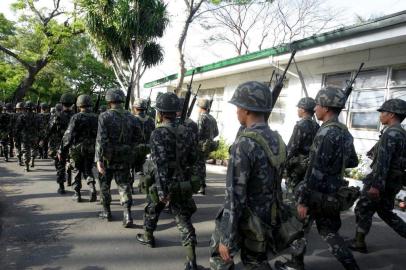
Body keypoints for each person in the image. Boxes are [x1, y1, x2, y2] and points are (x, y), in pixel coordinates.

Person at [209, 81, 286, 269]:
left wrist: (226, 237)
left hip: (247, 219)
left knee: (220, 260)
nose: (236, 111)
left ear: (246, 110)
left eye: (238, 107)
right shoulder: (278, 139)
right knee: (256, 261)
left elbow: (235, 196)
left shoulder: (244, 144)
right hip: (268, 217)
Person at [295, 87, 360, 270]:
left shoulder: (324, 133)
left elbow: (314, 171)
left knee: (299, 227)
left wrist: (303, 200)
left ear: (326, 107)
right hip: (334, 192)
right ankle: (352, 266)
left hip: (317, 193)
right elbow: (353, 161)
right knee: (329, 232)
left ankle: (295, 263)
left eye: (317, 105)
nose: (315, 108)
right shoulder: (344, 132)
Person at [136, 92, 198, 270]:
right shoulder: (187, 131)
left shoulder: (158, 133)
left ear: (160, 112)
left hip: (163, 182)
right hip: (182, 182)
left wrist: (163, 192)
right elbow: (194, 158)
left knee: (152, 208)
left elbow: (161, 164)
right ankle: (191, 260)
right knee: (183, 220)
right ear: (176, 112)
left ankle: (148, 237)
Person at [350, 98, 406, 253]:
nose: (380, 115)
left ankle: (359, 242)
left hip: (381, 181)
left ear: (392, 114)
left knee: (363, 208)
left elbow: (383, 162)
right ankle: (358, 240)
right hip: (393, 181)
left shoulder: (391, 134)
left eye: (383, 112)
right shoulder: (401, 133)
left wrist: (376, 186)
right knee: (384, 212)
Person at [95, 89, 140, 227]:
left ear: (109, 101)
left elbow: (101, 140)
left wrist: (98, 160)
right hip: (124, 157)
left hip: (108, 157)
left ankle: (106, 211)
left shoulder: (104, 116)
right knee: (124, 185)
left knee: (105, 185)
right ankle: (127, 214)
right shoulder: (132, 117)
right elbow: (137, 137)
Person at [60, 95, 98, 203]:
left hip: (77, 148)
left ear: (79, 105)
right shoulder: (96, 117)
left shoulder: (76, 117)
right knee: (88, 170)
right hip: (91, 148)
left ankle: (77, 194)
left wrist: (62, 149)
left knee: (76, 170)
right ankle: (92, 187)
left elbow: (68, 135)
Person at [284, 97, 319, 194]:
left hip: (297, 166)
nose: (297, 110)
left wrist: (284, 164)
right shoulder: (316, 125)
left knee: (292, 192)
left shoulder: (300, 125)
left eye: (298, 107)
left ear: (303, 109)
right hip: (309, 165)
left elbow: (292, 148)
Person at [48, 94, 75, 194]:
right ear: (72, 104)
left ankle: (61, 187)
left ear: (61, 103)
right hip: (73, 144)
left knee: (60, 165)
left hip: (59, 145)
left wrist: (44, 140)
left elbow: (49, 129)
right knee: (71, 162)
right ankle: (69, 178)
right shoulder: (76, 116)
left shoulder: (57, 116)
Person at [130, 98, 155, 192]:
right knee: (139, 167)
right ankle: (142, 184)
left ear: (135, 108)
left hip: (134, 148)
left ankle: (130, 186)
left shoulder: (131, 119)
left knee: (130, 168)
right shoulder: (151, 120)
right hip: (146, 148)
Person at [196, 98, 219, 194]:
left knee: (198, 166)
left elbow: (198, 132)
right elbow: (216, 132)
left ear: (201, 107)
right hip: (209, 145)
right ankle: (202, 185)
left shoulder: (202, 117)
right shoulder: (212, 118)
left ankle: (200, 186)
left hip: (201, 145)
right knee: (202, 165)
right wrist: (209, 138)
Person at [15, 101, 40, 171]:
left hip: (25, 136)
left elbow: (18, 128)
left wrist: (16, 137)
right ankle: (32, 160)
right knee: (34, 148)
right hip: (34, 135)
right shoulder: (37, 116)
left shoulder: (22, 116)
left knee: (26, 151)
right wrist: (41, 137)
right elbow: (40, 127)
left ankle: (27, 166)